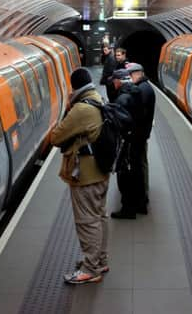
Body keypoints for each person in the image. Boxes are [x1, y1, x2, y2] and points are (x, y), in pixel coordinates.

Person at [50, 68, 110, 284]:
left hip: (85, 174)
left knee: (87, 221)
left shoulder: (81, 109)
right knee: (99, 217)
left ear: (74, 87)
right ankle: (99, 260)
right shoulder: (97, 98)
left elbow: (56, 137)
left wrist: (69, 109)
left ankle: (90, 269)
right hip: (100, 171)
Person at [110, 68, 144, 219]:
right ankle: (136, 204)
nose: (113, 83)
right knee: (134, 173)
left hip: (126, 143)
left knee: (124, 176)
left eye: (114, 81)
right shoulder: (136, 92)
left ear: (118, 81)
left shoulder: (122, 99)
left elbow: (120, 124)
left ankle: (127, 209)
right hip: (135, 139)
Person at [127, 63, 156, 211]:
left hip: (139, 133)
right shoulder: (146, 87)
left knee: (139, 164)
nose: (130, 79)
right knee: (142, 162)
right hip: (143, 133)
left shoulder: (142, 90)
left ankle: (142, 197)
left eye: (130, 76)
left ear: (137, 74)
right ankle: (142, 194)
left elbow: (139, 113)